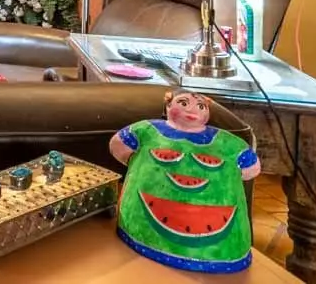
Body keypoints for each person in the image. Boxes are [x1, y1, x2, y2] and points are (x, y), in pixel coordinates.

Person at [110, 91, 260, 272]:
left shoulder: (230, 143)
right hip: (135, 235)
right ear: (168, 106)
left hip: (225, 252)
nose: (192, 109)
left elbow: (251, 169)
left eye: (201, 106)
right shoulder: (147, 131)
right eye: (183, 103)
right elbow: (119, 146)